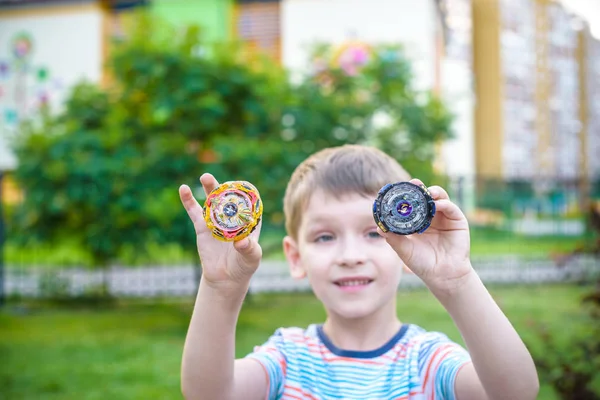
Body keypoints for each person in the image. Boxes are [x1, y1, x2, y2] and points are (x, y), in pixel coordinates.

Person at [178, 144, 539, 400]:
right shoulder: (288, 359)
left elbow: (516, 392)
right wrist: (220, 287)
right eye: (324, 236)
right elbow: (208, 393)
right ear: (295, 256)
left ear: (406, 246)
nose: (350, 256)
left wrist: (457, 281)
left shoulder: (428, 361)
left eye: (372, 233)